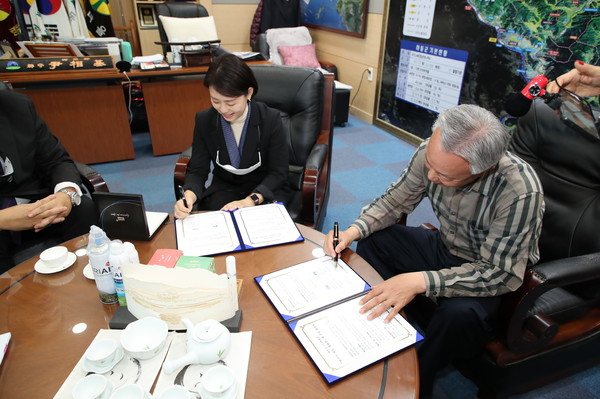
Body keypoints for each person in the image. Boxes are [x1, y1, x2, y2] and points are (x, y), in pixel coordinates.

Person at [323, 104, 544, 396]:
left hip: (486, 272)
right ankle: (381, 329)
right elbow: (395, 201)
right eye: (430, 165)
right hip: (445, 246)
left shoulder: (519, 191)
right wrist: (353, 231)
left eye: (445, 176)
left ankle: (418, 375)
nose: (431, 177)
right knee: (375, 241)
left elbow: (499, 273)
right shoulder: (434, 153)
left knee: (460, 316)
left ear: (484, 169)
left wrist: (419, 281)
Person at [174, 54, 289, 218]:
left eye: (231, 102)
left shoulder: (270, 119)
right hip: (225, 187)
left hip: (263, 188)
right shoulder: (205, 120)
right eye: (215, 100)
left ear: (248, 93)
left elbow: (279, 172)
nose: (223, 109)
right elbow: (198, 171)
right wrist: (189, 197)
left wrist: (249, 201)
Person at [0, 90, 98, 273]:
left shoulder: (16, 105)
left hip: (35, 203)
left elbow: (56, 160)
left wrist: (66, 193)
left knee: (83, 209)